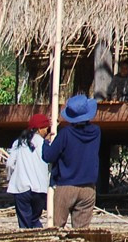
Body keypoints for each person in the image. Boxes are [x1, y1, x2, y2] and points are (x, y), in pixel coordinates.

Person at [42, 93, 102, 229]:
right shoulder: (96, 132)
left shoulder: (66, 133)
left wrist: (46, 143)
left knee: (57, 228)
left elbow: (49, 156)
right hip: (88, 187)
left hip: (66, 185)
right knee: (82, 231)